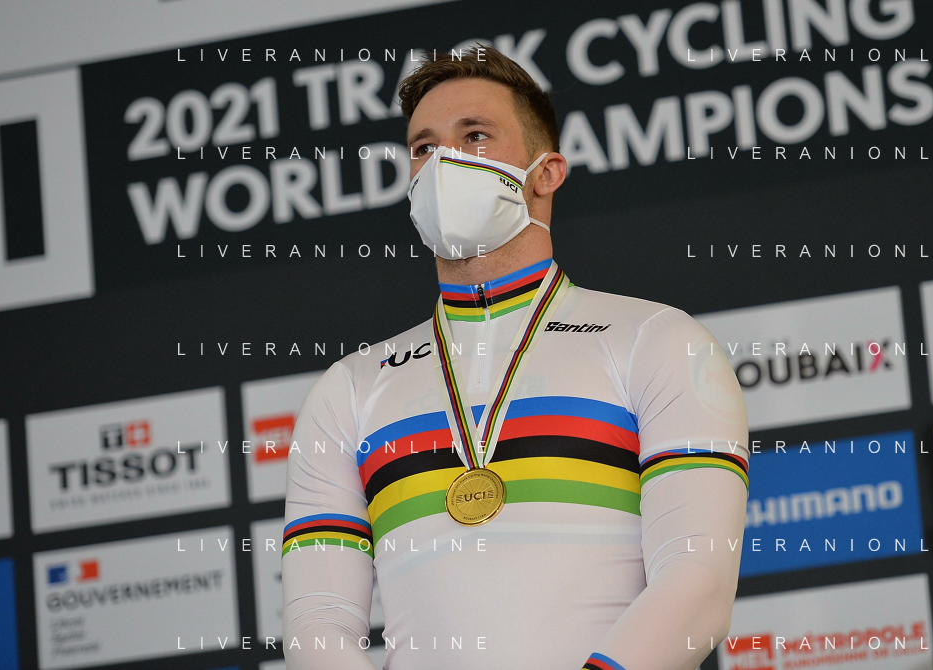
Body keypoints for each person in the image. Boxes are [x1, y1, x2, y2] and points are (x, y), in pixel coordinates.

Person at [281, 45, 750, 670]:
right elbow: (316, 625)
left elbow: (697, 584)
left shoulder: (655, 341)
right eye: (423, 147)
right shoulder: (349, 389)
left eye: (474, 136)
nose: (443, 161)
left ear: (546, 172)